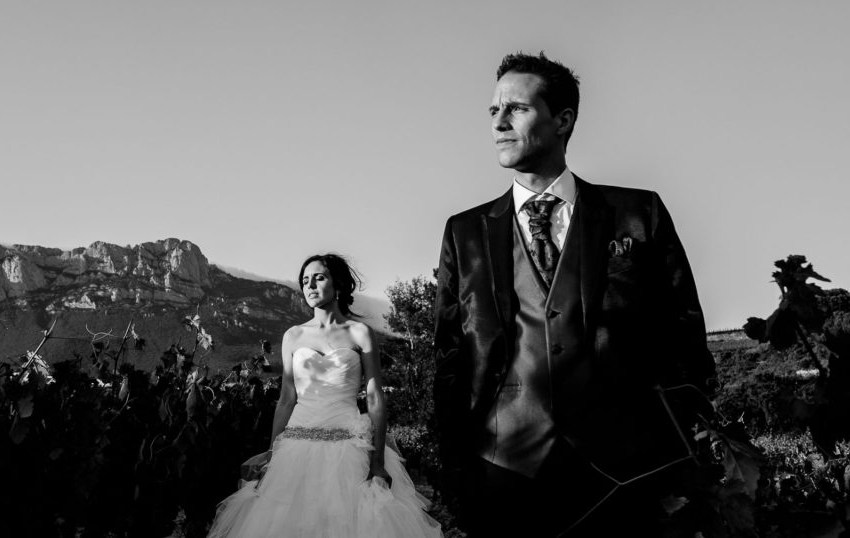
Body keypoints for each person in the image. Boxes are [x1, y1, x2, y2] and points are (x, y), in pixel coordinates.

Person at [433, 51, 715, 537]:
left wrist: (675, 459)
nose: (499, 122)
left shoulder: (636, 214)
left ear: (562, 120)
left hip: (624, 477)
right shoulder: (465, 233)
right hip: (502, 474)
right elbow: (450, 357)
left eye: (516, 109)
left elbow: (684, 339)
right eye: (493, 111)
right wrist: (458, 468)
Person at [208, 254, 442, 538]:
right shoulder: (293, 336)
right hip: (295, 447)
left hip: (348, 447)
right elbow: (286, 399)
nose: (310, 285)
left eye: (319, 278)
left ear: (339, 285)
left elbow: (375, 397)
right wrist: (272, 453)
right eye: (305, 280)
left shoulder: (360, 333)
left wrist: (378, 460)